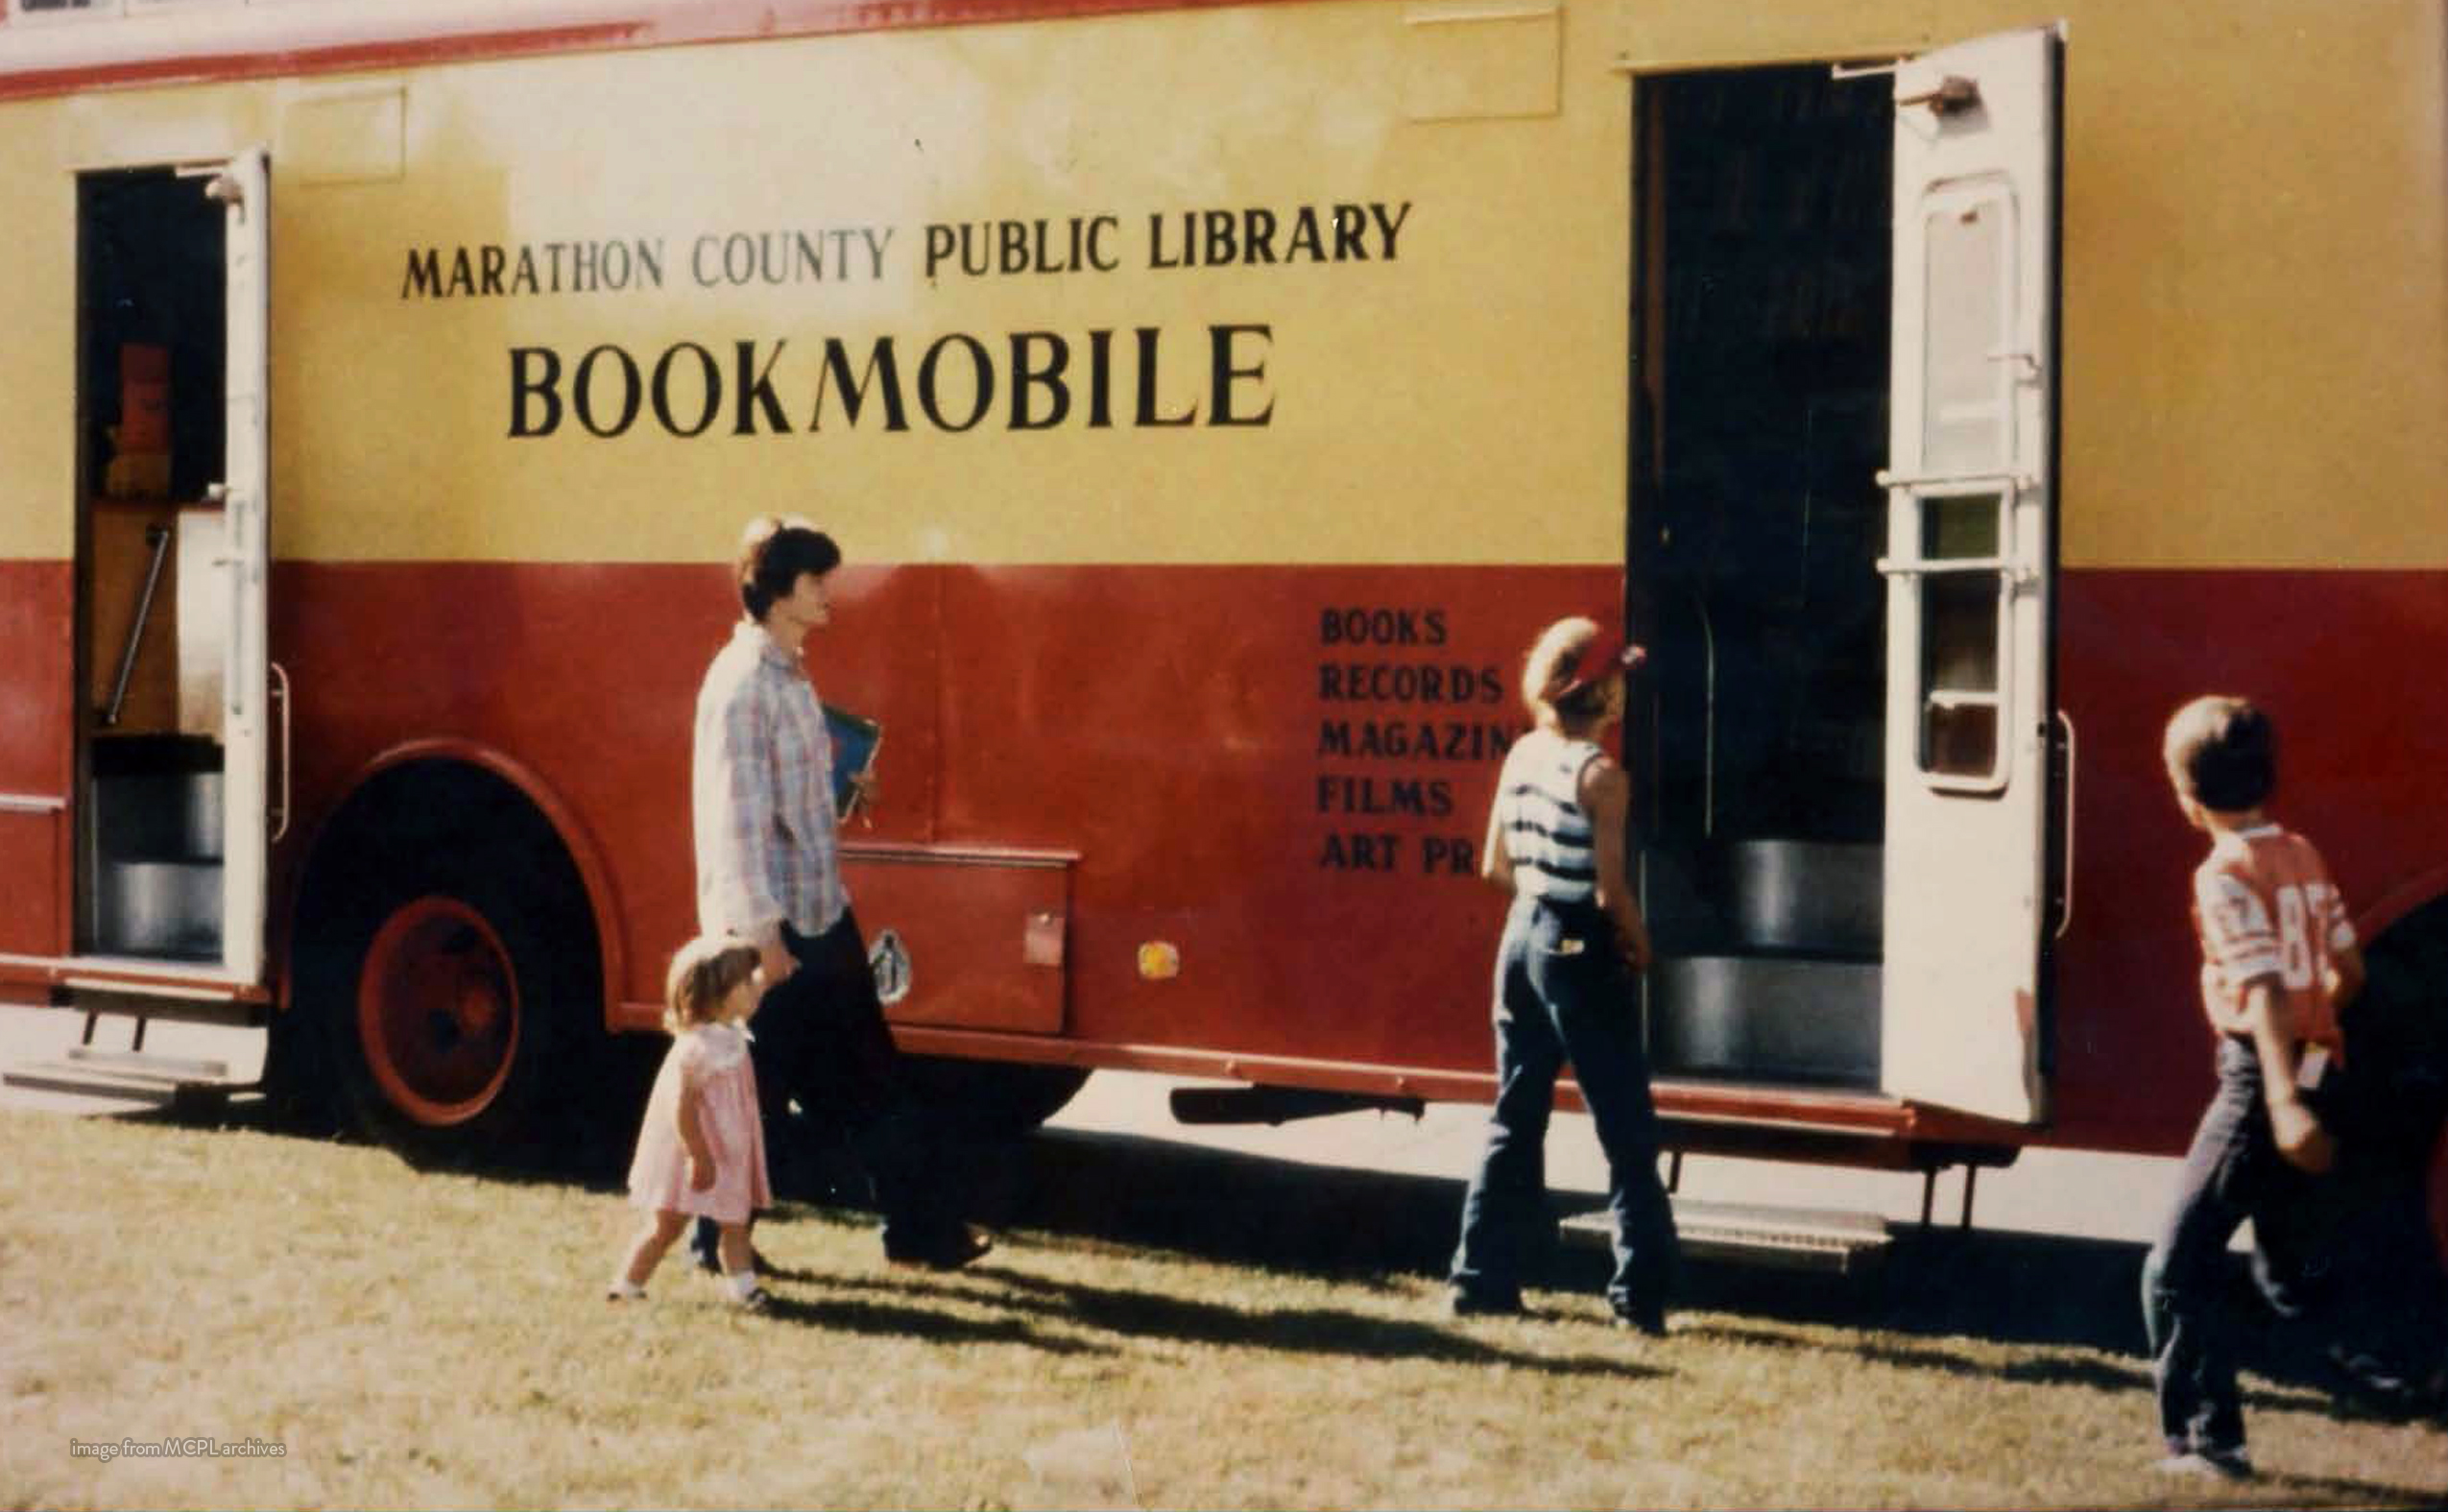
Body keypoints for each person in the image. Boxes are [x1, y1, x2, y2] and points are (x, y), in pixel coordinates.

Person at [686, 516, 991, 1274]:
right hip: (778, 929)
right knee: (756, 1089)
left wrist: (841, 791)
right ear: (778, 590)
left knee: (869, 1073)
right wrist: (762, 940)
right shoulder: (743, 683)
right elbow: (739, 822)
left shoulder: (789, 673)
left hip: (821, 908)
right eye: (816, 580)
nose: (830, 593)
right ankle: (713, 1243)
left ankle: (919, 1232)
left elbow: (786, 799)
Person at [2142, 694, 2364, 1479]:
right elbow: (2347, 970)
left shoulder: (2223, 872)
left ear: (2186, 797)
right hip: (2310, 1060)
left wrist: (2279, 1095)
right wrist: (2309, 1044)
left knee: (2175, 1265)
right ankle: (2388, 1362)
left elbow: (2263, 985)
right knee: (2284, 1263)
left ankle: (2209, 1441)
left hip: (2258, 1078)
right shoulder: (2301, 852)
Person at [1447, 615, 1680, 1332]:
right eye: (1619, 684)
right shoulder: (1602, 776)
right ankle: (1637, 1297)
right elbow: (1611, 890)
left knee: (1514, 1114)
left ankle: (1479, 1277)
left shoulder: (1521, 754)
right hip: (1578, 940)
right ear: (1604, 697)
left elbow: (1493, 867)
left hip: (1521, 936)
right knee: (1625, 1127)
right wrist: (1641, 944)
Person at [608, 935, 775, 1308]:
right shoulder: (695, 1048)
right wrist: (696, 1153)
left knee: (735, 1222)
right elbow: (681, 1106)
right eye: (747, 982)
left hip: (729, 1150)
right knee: (667, 1224)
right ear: (719, 994)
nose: (755, 986)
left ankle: (744, 1287)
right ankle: (627, 1283)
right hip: (694, 1151)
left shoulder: (733, 1037)